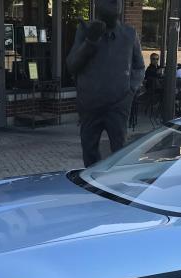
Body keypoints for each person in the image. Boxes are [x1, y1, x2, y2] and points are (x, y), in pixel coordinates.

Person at [66, 0, 144, 167]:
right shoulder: (85, 30)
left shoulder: (129, 34)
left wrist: (130, 91)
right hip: (90, 104)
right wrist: (90, 42)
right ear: (98, 8)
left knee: (120, 152)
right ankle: (93, 185)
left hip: (118, 104)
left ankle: (116, 185)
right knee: (89, 151)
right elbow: (72, 66)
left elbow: (139, 67)